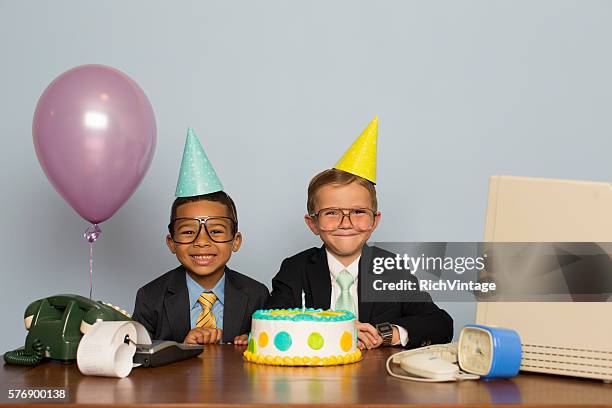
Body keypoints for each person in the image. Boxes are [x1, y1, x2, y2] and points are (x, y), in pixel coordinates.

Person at [266, 117, 453, 349]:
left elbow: (441, 324)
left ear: (375, 221)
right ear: (312, 223)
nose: (346, 223)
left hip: (374, 381)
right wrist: (337, 329)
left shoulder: (391, 269)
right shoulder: (295, 270)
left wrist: (386, 333)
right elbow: (272, 325)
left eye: (358, 212)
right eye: (332, 212)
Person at [133, 129, 269, 345]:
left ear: (236, 241)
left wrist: (254, 344)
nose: (202, 241)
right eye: (188, 231)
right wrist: (181, 348)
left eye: (215, 231)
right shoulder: (151, 297)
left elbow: (271, 347)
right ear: (171, 243)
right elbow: (137, 357)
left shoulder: (256, 295)